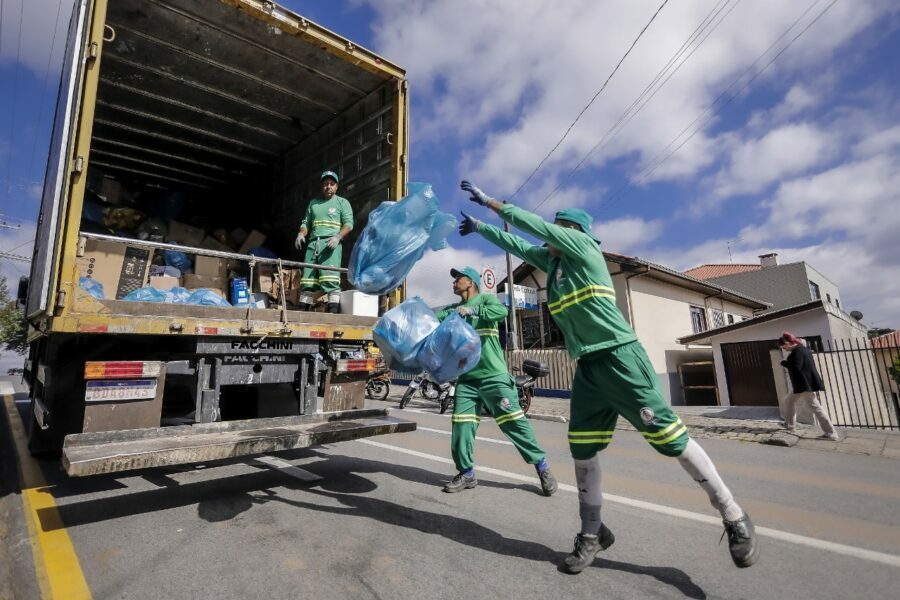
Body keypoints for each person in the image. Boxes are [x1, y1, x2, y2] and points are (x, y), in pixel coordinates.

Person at [457, 180, 759, 574]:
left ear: (576, 233)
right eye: (556, 228)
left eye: (561, 227)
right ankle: (592, 532)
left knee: (669, 440)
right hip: (589, 367)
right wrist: (480, 229)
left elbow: (536, 229)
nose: (554, 233)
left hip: (620, 358)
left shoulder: (585, 250)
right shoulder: (557, 265)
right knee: (581, 447)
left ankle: (734, 516)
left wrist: (494, 204)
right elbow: (519, 246)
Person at [434, 266, 558, 497]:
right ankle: (467, 473)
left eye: (457, 279)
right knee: (461, 426)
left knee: (514, 424)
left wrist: (471, 311)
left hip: (494, 376)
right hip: (467, 380)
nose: (453, 282)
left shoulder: (487, 301)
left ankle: (542, 466)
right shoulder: (453, 310)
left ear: (470, 282)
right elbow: (433, 318)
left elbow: (501, 312)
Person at [295, 171, 353, 313]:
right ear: (322, 186)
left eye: (332, 184)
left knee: (330, 278)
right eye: (326, 184)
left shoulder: (342, 203)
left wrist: (338, 237)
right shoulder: (314, 203)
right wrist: (301, 233)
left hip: (330, 245)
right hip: (313, 245)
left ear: (336, 187)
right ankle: (303, 309)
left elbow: (349, 224)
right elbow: (306, 223)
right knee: (308, 280)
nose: (328, 187)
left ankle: (333, 310)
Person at [778, 332, 839, 440]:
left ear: (788, 343)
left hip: (804, 385)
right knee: (789, 401)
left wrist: (784, 363)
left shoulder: (798, 351)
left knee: (816, 408)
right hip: (803, 384)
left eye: (783, 346)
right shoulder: (803, 349)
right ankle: (790, 426)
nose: (784, 348)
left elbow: (796, 367)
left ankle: (831, 433)